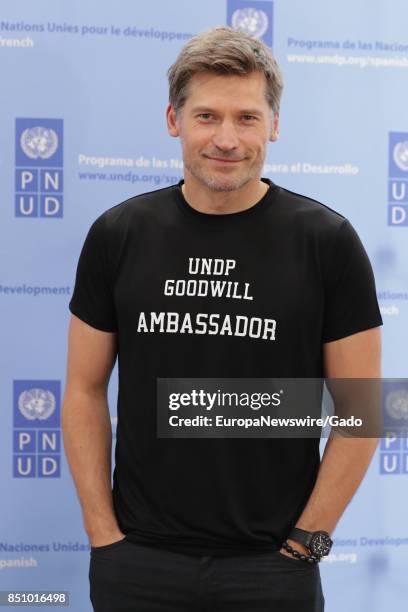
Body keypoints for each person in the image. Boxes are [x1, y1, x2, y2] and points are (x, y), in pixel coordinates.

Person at [62, 25, 383, 611]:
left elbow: (363, 411)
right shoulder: (120, 234)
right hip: (137, 563)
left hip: (271, 569)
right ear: (173, 120)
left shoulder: (326, 241)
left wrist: (304, 545)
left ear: (275, 126)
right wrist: (103, 536)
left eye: (248, 117)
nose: (227, 139)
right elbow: (83, 389)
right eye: (207, 116)